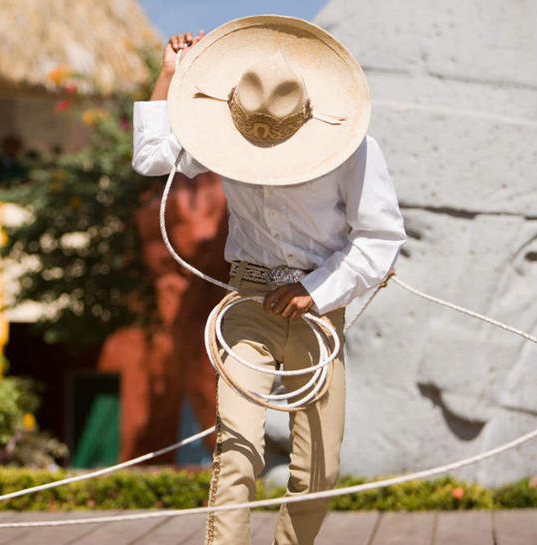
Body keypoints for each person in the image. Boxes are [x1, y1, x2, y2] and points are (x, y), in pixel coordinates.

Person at [131, 16, 406, 545]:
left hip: (317, 314)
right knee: (235, 453)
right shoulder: (222, 135)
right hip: (248, 306)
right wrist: (169, 76)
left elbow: (379, 236)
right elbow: (151, 157)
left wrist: (315, 291)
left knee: (318, 472)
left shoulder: (353, 146)